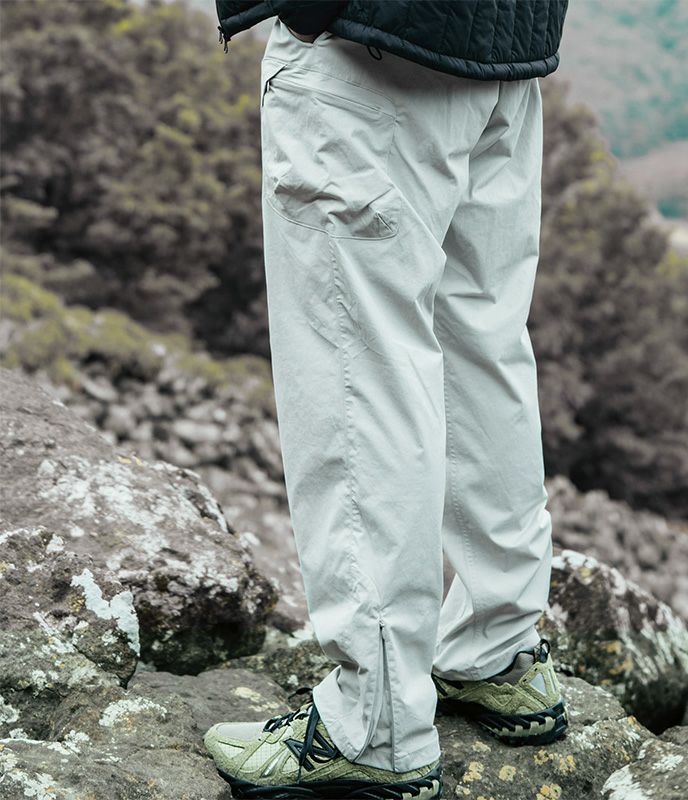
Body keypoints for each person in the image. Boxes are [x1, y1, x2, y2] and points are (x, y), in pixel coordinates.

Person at [204, 2, 571, 798]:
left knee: (357, 371)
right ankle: (497, 650)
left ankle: (375, 725)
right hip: (505, 43)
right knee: (482, 345)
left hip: (368, 51)